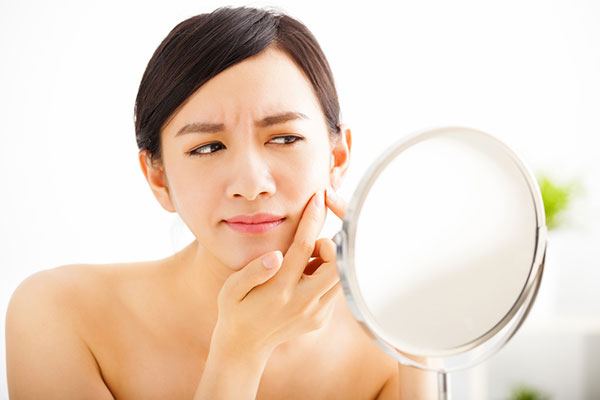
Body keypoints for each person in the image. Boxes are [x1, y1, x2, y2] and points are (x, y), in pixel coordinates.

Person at [5, 6, 436, 399]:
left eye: (284, 138)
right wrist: (240, 352)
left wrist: (423, 348)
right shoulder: (60, 317)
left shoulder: (395, 332)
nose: (251, 185)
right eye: (208, 147)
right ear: (158, 177)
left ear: (336, 157)